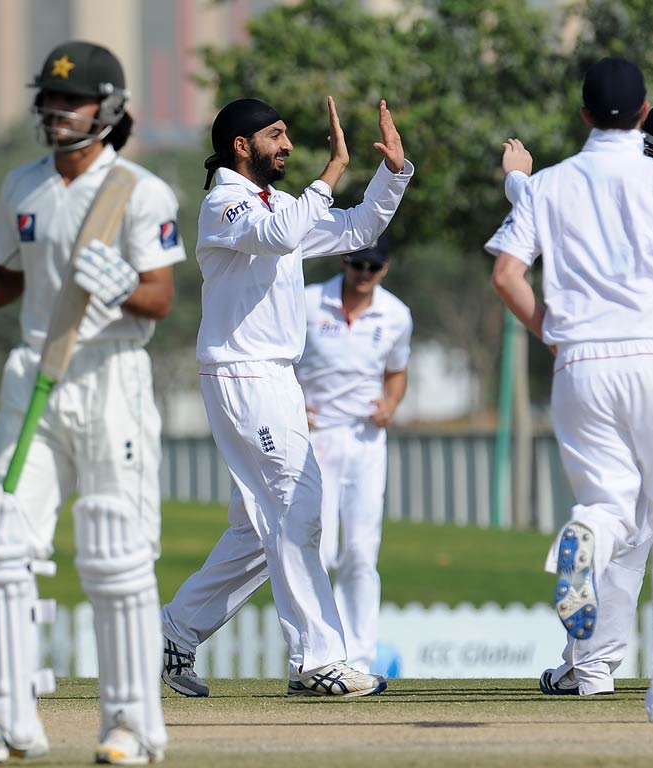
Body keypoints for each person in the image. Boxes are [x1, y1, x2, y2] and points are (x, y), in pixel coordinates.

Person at [0, 41, 183, 764]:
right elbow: (10, 276)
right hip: (32, 377)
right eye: (48, 99)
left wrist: (122, 282)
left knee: (117, 552)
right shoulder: (22, 186)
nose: (54, 112)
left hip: (109, 377)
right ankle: (5, 717)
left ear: (109, 109)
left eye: (71, 100)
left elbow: (160, 297)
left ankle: (131, 725)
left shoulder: (140, 192)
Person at [486, 56, 653, 722]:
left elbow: (505, 276)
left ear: (584, 115)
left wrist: (551, 331)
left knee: (609, 506)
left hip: (580, 361)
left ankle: (584, 532)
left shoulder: (550, 185)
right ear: (643, 116)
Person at [159, 96, 413, 699]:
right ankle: (316, 660)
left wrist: (392, 173)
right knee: (298, 507)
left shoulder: (277, 205)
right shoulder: (225, 203)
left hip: (273, 376)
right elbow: (280, 235)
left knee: (258, 526)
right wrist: (330, 172)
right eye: (276, 135)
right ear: (241, 145)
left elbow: (356, 229)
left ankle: (174, 631)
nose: (288, 146)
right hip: (244, 374)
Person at [296, 234, 412, 674]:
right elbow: (283, 361)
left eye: (373, 268)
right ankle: (319, 655)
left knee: (362, 553)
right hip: (314, 437)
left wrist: (391, 404)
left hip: (365, 442)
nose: (363, 275)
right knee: (318, 550)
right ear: (344, 261)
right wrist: (292, 403)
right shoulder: (307, 302)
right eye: (357, 264)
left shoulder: (397, 314)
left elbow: (397, 373)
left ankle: (359, 659)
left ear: (383, 269)